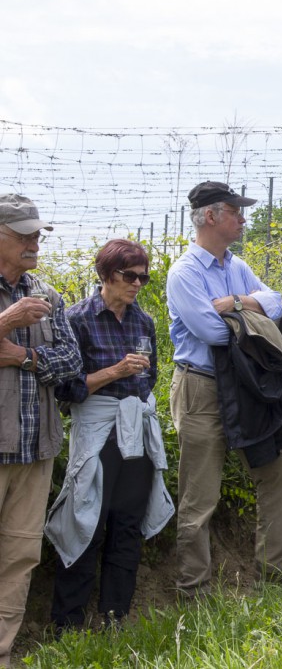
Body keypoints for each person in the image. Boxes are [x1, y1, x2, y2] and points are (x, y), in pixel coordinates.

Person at [167, 181, 282, 598]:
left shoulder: (235, 268)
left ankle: (276, 577)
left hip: (245, 385)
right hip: (201, 389)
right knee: (199, 495)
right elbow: (209, 331)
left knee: (278, 469)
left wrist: (237, 303)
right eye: (235, 211)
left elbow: (275, 304)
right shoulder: (184, 272)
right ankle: (194, 592)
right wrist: (250, 317)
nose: (243, 219)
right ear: (210, 216)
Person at [45, 239, 174, 632]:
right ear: (105, 274)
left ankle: (116, 616)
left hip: (136, 431)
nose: (137, 283)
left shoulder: (144, 321)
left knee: (127, 526)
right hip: (98, 432)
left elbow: (149, 377)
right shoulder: (77, 318)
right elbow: (66, 389)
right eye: (129, 275)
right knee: (87, 522)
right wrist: (114, 373)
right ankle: (67, 624)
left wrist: (132, 383)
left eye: (143, 276)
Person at [0, 194, 82, 667]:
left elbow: (71, 364)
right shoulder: (25, 304)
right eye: (24, 233)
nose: (35, 241)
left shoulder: (48, 296)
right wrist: (7, 321)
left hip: (34, 451)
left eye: (37, 233)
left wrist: (22, 357)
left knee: (17, 560)